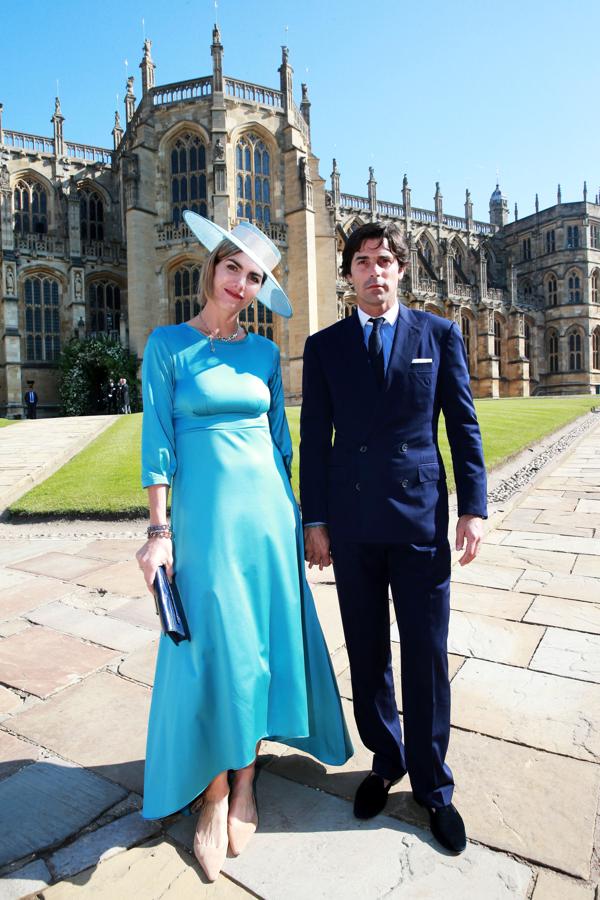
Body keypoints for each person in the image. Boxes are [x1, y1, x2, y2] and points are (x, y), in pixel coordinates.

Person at [136, 212, 352, 882]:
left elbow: (281, 446)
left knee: (257, 645)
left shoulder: (261, 352)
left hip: (266, 518)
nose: (241, 283)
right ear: (212, 269)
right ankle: (214, 793)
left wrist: (304, 520)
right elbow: (158, 446)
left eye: (255, 276)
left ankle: (247, 778)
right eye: (233, 268)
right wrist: (158, 532)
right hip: (203, 526)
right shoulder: (167, 345)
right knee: (216, 648)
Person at [300, 221, 487, 855]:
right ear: (347, 272)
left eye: (384, 261)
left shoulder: (438, 334)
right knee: (367, 650)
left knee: (427, 653)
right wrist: (314, 521)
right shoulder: (324, 346)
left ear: (400, 269)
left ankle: (434, 785)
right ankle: (386, 761)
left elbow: (463, 425)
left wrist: (474, 508)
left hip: (419, 520)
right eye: (362, 262)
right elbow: (315, 443)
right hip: (351, 525)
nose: (374, 272)